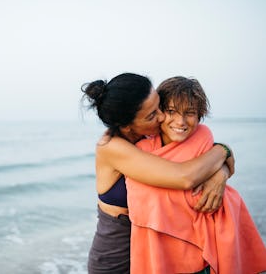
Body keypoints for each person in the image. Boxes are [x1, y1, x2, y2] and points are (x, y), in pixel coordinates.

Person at [81, 73, 234, 274]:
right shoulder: (111, 147)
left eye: (159, 107)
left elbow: (198, 160)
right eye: (152, 115)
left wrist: (220, 172)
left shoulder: (150, 139)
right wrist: (223, 151)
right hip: (118, 260)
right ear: (127, 125)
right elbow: (184, 177)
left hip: (156, 256)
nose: (162, 117)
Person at [126, 76, 266, 274]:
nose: (180, 122)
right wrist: (221, 166)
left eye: (189, 113)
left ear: (199, 115)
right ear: (159, 112)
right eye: (172, 111)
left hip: (201, 252)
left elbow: (211, 166)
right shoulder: (139, 149)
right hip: (156, 249)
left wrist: (221, 172)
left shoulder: (203, 139)